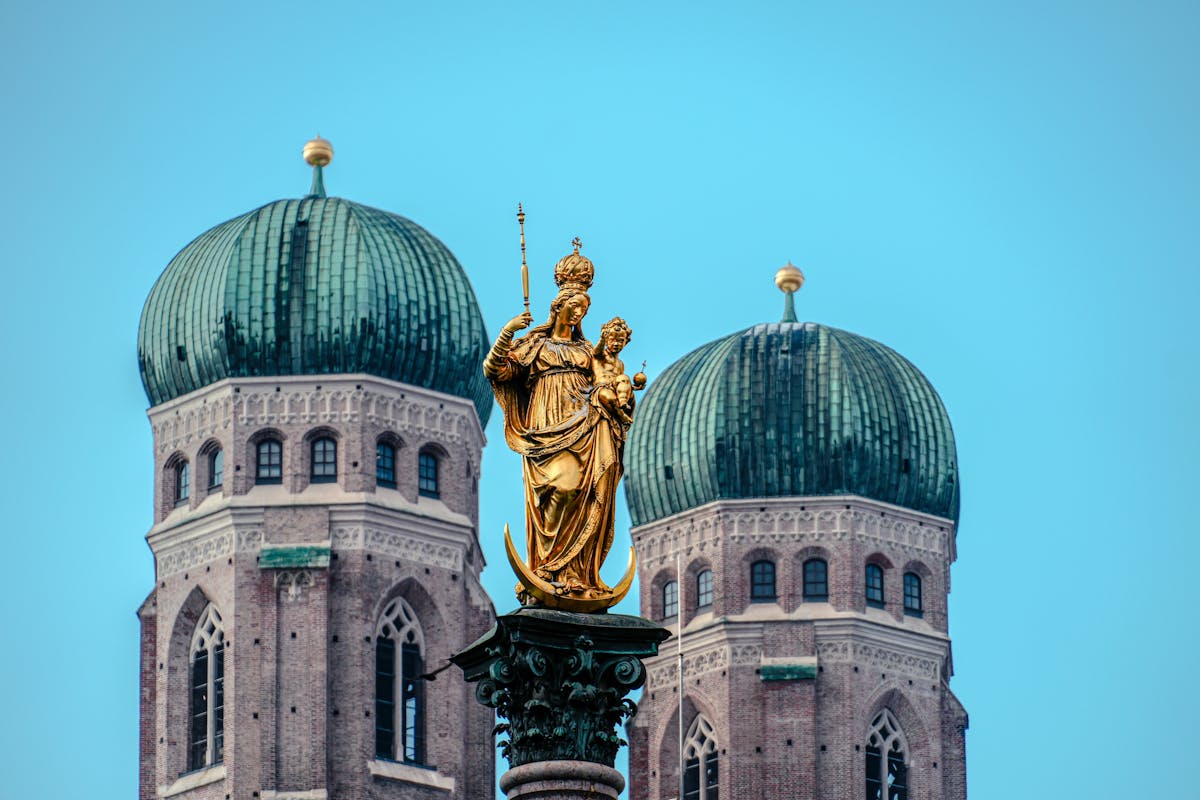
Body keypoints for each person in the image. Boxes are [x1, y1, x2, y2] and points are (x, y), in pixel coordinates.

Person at [484, 264, 628, 602]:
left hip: (586, 423)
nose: (579, 313)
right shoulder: (536, 346)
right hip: (546, 426)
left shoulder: (587, 351)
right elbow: (495, 369)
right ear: (558, 306)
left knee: (588, 489)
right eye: (574, 305)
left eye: (585, 308)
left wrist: (622, 392)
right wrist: (508, 331)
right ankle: (547, 566)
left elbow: (606, 379)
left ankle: (576, 574)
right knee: (561, 486)